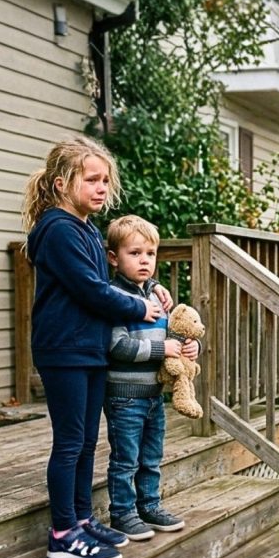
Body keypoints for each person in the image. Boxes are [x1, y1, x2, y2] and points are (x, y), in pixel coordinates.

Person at [23, 136, 172, 558]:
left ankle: (83, 519)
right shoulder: (56, 229)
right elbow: (92, 291)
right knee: (70, 442)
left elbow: (108, 282)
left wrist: (150, 287)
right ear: (60, 184)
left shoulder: (86, 230)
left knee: (88, 441)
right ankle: (62, 534)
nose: (101, 187)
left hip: (88, 350)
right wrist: (139, 306)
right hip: (63, 350)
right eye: (91, 179)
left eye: (105, 179)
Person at [104, 215, 198, 541]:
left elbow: (172, 332)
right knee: (125, 459)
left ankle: (149, 505)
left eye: (150, 253)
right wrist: (162, 349)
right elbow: (116, 346)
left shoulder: (157, 295)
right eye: (135, 253)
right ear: (114, 258)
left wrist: (189, 347)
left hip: (153, 395)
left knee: (151, 457)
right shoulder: (116, 297)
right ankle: (122, 513)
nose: (145, 260)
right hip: (124, 395)